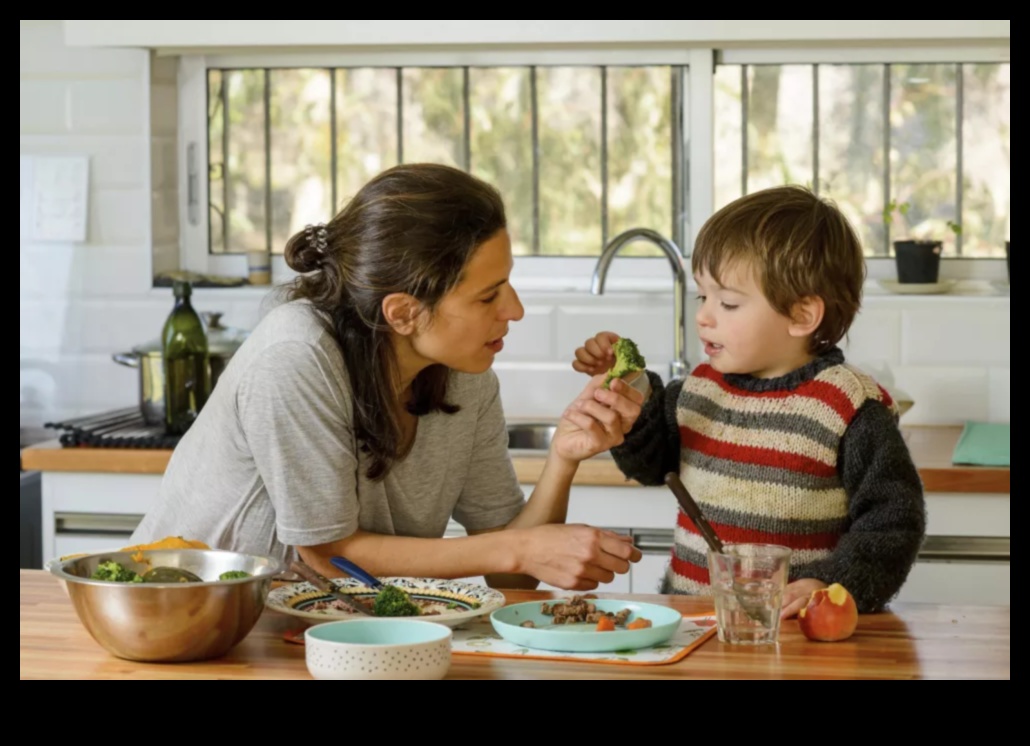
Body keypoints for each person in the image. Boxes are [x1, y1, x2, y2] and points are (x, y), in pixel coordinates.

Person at [130, 163, 644, 590]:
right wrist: (519, 549)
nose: (515, 309)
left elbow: (510, 573)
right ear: (402, 313)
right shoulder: (297, 355)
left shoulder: (467, 375)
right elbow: (328, 556)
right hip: (193, 620)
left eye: (508, 283)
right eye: (489, 295)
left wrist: (564, 458)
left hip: (330, 633)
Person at [571, 185, 926, 616]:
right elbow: (650, 466)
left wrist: (833, 583)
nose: (704, 315)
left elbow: (893, 522)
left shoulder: (847, 407)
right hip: (693, 627)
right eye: (704, 297)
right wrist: (631, 391)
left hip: (796, 637)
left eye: (729, 303)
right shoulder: (699, 389)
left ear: (800, 315)